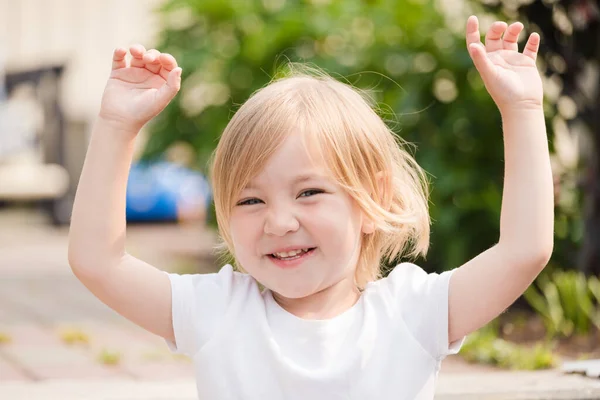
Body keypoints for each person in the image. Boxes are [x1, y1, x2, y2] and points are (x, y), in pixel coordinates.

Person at [68, 15, 554, 400]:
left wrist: (523, 111)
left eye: (309, 193)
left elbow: (523, 250)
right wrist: (117, 125)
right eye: (251, 200)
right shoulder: (219, 311)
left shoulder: (413, 312)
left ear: (374, 199)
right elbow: (99, 261)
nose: (280, 222)